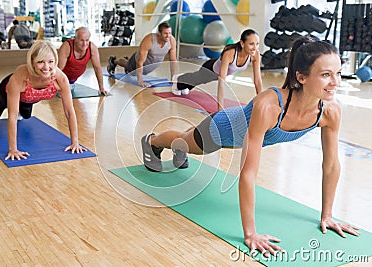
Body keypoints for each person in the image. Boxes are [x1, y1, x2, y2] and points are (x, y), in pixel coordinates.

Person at [141, 36, 360, 255]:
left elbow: (331, 165)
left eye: (338, 73)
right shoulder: (269, 106)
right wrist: (250, 234)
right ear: (301, 77)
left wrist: (327, 216)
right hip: (222, 129)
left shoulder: (330, 112)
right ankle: (152, 141)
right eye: (325, 75)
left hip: (241, 133)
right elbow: (248, 172)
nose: (335, 82)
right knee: (187, 142)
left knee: (187, 138)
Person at [0, 40, 87, 160]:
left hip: (29, 98)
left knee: (26, 116)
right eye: (40, 62)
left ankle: (22, 106)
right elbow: (12, 115)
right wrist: (13, 149)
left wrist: (75, 142)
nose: (46, 67)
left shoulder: (60, 79)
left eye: (51, 61)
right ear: (32, 62)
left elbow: (69, 112)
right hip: (7, 91)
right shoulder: (20, 76)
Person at [173, 29, 263, 107]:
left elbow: (257, 81)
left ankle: (183, 82)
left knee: (195, 81)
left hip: (217, 70)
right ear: (242, 43)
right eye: (251, 44)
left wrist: (261, 101)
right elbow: (222, 82)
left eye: (257, 44)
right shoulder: (230, 54)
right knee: (197, 79)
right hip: (210, 69)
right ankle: (178, 79)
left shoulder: (255, 55)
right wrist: (220, 107)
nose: (255, 48)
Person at [107, 22, 177, 88]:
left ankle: (126, 61)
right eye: (165, 33)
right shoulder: (149, 40)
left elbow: (173, 61)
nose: (168, 36)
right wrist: (140, 81)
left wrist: (173, 79)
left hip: (150, 65)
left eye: (169, 33)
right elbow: (139, 62)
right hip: (138, 62)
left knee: (129, 67)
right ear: (159, 33)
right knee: (128, 67)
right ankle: (114, 61)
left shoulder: (171, 41)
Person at [58, 27, 108, 95]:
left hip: (72, 81)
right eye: (81, 40)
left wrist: (101, 88)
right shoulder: (67, 47)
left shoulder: (92, 47)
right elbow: (58, 70)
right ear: (75, 39)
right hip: (61, 79)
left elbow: (97, 68)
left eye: (87, 40)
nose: (84, 44)